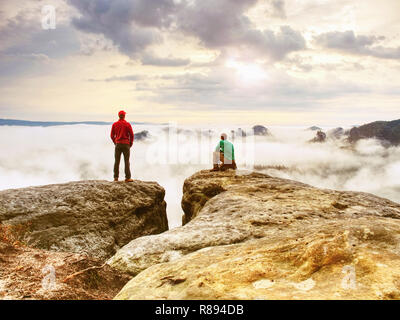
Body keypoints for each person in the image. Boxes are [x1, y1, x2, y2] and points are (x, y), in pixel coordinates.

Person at [110, 110, 134, 182]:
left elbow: (111, 135)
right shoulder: (127, 124)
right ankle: (127, 178)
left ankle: (116, 178)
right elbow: (132, 135)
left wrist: (115, 142)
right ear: (124, 116)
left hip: (118, 144)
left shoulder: (115, 124)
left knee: (117, 161)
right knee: (126, 161)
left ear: (118, 115)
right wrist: (130, 143)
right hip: (126, 144)